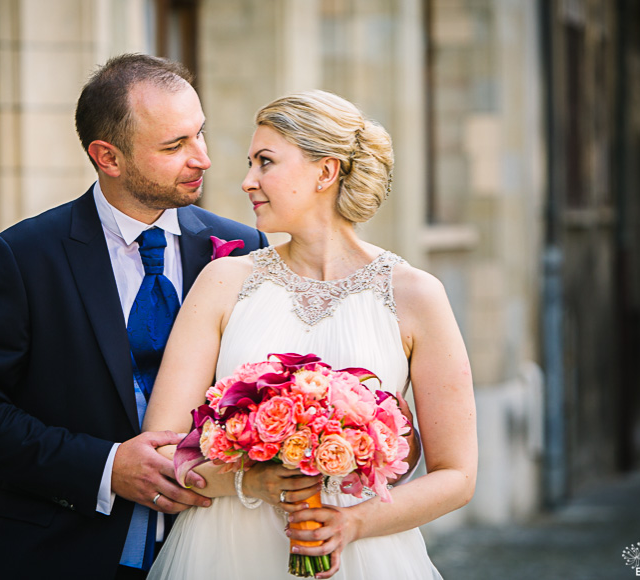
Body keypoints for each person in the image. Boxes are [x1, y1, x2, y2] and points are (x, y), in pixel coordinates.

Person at [0, 53, 267, 579]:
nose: (202, 158)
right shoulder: (23, 257)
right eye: (174, 146)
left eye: (199, 134)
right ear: (107, 157)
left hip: (209, 548)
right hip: (56, 554)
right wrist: (106, 467)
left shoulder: (243, 248)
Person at [142, 90, 478, 579]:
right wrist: (246, 481)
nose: (247, 181)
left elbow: (458, 476)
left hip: (364, 557)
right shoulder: (222, 282)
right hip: (226, 553)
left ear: (326, 172)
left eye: (265, 162)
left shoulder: (415, 295)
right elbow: (162, 448)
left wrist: (350, 524)